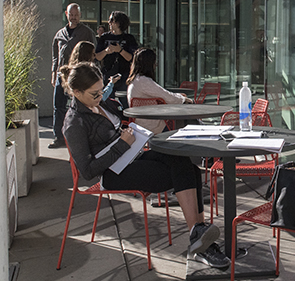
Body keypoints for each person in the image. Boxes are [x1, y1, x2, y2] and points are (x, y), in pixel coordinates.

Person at [61, 62, 229, 268]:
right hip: (113, 173)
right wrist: (122, 145)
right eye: (94, 94)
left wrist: (132, 135)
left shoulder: (100, 104)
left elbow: (121, 120)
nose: (99, 97)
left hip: (131, 156)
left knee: (184, 161)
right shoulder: (74, 122)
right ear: (76, 92)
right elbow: (87, 171)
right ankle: (201, 240)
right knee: (181, 173)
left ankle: (199, 236)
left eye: (101, 90)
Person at [50, 3, 96, 149]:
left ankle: (78, 137)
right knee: (58, 105)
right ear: (66, 14)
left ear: (80, 15)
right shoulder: (59, 34)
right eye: (71, 14)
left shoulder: (87, 32)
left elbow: (92, 52)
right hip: (61, 74)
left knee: (78, 106)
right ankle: (58, 137)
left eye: (76, 15)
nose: (74, 17)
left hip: (78, 75)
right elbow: (55, 56)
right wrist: (53, 73)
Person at [127, 48, 193, 134]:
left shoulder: (136, 80)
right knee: (187, 108)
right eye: (155, 62)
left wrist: (178, 96)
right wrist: (183, 99)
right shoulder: (144, 81)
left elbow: (162, 94)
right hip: (153, 124)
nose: (156, 65)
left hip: (141, 122)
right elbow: (167, 97)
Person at [95, 11, 138, 95]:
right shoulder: (104, 37)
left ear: (118, 23)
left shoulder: (129, 38)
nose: (109, 23)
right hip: (108, 74)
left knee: (124, 100)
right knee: (107, 100)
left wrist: (120, 50)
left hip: (124, 75)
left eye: (111, 20)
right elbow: (97, 57)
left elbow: (132, 58)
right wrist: (106, 51)